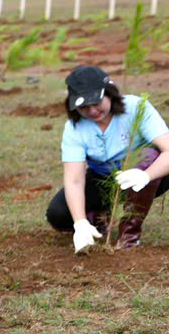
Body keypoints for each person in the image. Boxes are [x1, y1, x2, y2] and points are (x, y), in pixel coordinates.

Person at [46, 65, 169, 251]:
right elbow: (74, 180)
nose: (92, 111)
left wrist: (146, 176)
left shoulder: (137, 108)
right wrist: (79, 222)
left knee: (148, 155)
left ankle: (130, 232)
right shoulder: (74, 128)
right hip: (102, 179)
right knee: (58, 214)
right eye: (83, 107)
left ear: (109, 92)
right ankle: (97, 221)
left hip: (148, 174)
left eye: (96, 102)